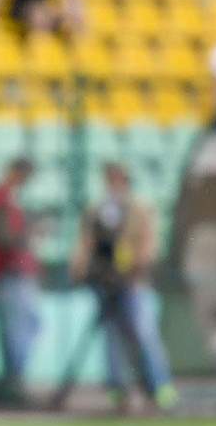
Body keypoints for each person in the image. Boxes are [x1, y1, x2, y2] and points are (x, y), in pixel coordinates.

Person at [70, 164, 177, 412]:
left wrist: (137, 268)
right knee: (112, 339)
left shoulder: (140, 209)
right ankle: (119, 391)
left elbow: (148, 244)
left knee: (142, 333)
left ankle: (159, 386)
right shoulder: (97, 210)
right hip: (105, 282)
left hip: (132, 283)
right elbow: (86, 243)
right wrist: (81, 269)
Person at [0, 159, 40, 399]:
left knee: (20, 326)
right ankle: (14, 383)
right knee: (18, 328)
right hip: (8, 273)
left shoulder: (4, 198)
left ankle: (13, 382)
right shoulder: (0, 199)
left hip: (9, 274)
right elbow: (3, 238)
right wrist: (28, 235)